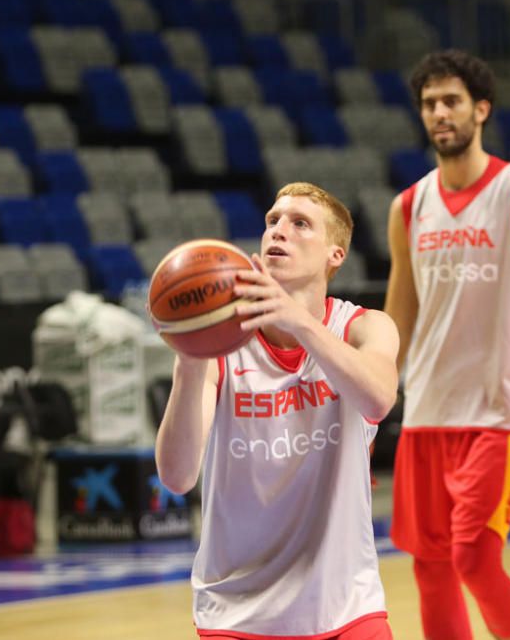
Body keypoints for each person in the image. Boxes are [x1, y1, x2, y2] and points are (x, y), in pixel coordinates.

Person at [155, 182, 400, 640]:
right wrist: (189, 361)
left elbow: (378, 398)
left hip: (345, 604)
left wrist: (300, 322)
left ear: (335, 255)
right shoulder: (218, 343)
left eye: (299, 223)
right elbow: (177, 476)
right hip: (237, 609)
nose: (278, 231)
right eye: (272, 220)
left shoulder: (364, 327)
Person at [384, 49, 510, 640]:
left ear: (482, 110)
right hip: (427, 410)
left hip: (499, 410)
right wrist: (376, 393)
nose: (440, 113)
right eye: (429, 103)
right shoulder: (408, 206)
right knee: (431, 568)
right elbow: (401, 309)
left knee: (475, 557)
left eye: (452, 101)